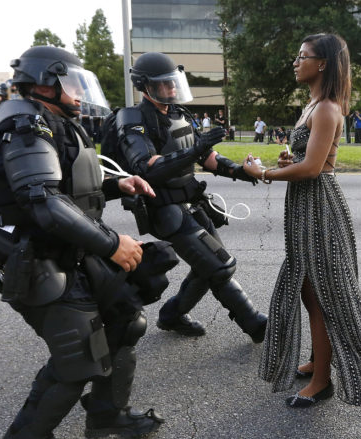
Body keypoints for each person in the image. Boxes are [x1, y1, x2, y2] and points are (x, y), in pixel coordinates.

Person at [0, 46, 165, 439]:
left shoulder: (51, 121)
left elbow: (67, 186)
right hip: (32, 258)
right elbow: (42, 202)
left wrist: (116, 185)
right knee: (79, 354)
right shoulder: (23, 124)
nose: (78, 91)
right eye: (71, 81)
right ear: (44, 82)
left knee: (125, 319)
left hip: (68, 250)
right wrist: (113, 244)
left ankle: (108, 412)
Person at [241, 33, 361, 408]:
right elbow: (306, 160)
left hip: (320, 208)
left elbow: (313, 169)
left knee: (323, 295)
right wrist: (287, 162)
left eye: (303, 56)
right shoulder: (312, 105)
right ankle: (318, 359)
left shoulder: (328, 108)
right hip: (305, 207)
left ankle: (322, 381)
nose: (296, 62)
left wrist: (263, 173)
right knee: (308, 290)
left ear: (323, 63)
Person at [115, 51, 268, 341]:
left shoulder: (178, 114)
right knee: (220, 265)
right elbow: (147, 167)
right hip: (164, 209)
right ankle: (255, 324)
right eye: (164, 84)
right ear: (145, 86)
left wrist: (241, 171)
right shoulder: (132, 118)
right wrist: (196, 150)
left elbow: (207, 156)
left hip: (192, 203)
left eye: (174, 83)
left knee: (207, 266)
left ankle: (172, 315)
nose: (172, 89)